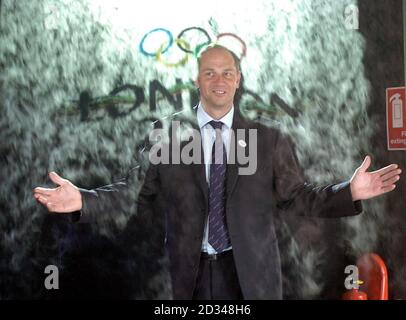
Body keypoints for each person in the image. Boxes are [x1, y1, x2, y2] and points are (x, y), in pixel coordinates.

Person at [33, 45, 402, 300]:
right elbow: (134, 194)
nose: (219, 79)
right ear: (197, 78)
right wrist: (83, 198)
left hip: (251, 277)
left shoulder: (268, 140)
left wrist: (349, 191)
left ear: (238, 79)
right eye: (209, 72)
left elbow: (299, 196)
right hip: (186, 276)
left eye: (227, 72)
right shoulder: (168, 134)